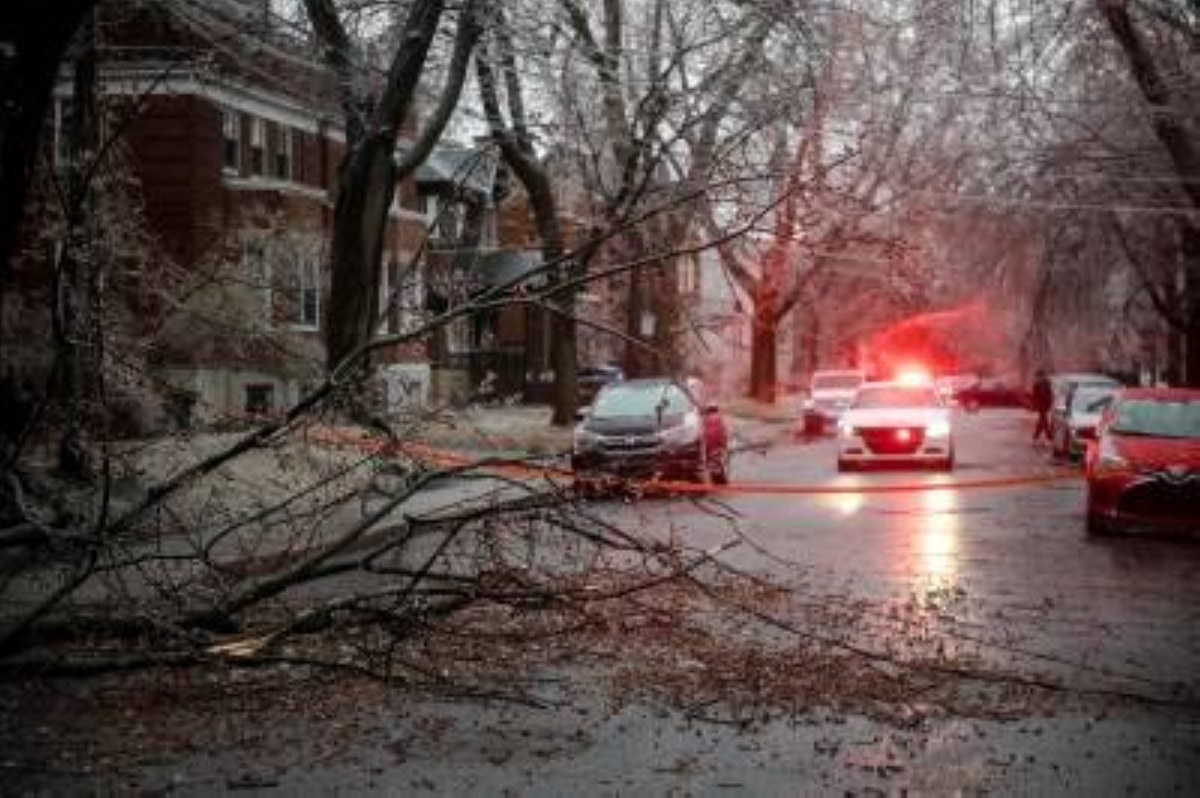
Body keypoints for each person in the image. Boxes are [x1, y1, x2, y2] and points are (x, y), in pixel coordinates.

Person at [1031, 369, 1053, 444]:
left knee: (1042, 421)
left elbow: (1049, 394)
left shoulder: (1046, 383)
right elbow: (1035, 396)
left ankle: (1037, 437)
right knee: (1043, 421)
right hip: (1041, 405)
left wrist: (1049, 403)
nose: (1038, 378)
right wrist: (1035, 404)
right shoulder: (1037, 384)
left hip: (1044, 404)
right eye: (1038, 376)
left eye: (1039, 376)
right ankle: (1048, 437)